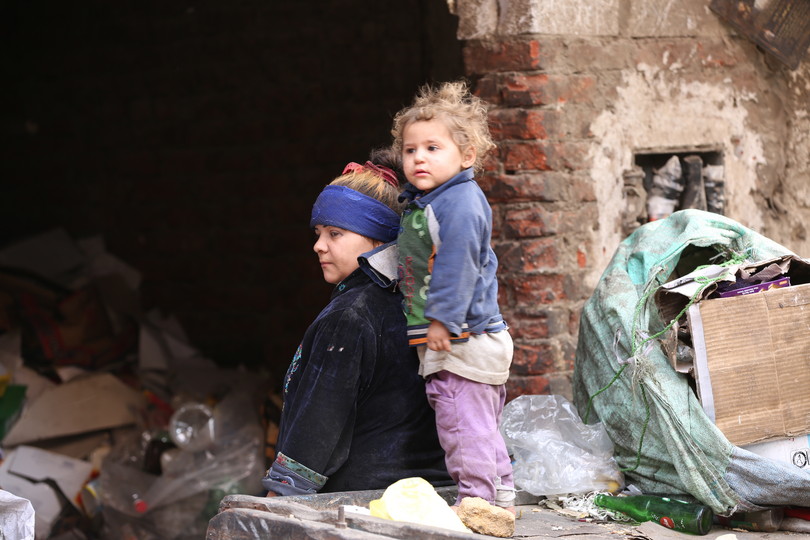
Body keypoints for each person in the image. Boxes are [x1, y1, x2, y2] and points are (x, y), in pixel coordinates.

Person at [262, 154, 450, 496]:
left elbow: (318, 426)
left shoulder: (349, 316)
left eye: (335, 233)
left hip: (361, 504)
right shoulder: (423, 303)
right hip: (428, 498)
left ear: (378, 237)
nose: (318, 246)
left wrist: (279, 497)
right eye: (318, 233)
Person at [391, 81, 516, 512]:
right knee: (479, 422)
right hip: (465, 334)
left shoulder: (459, 202)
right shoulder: (431, 202)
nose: (419, 158)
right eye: (410, 150)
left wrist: (443, 318)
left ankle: (477, 501)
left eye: (433, 148)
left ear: (466, 156)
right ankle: (500, 495)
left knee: (461, 422)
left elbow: (458, 262)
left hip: (463, 335)